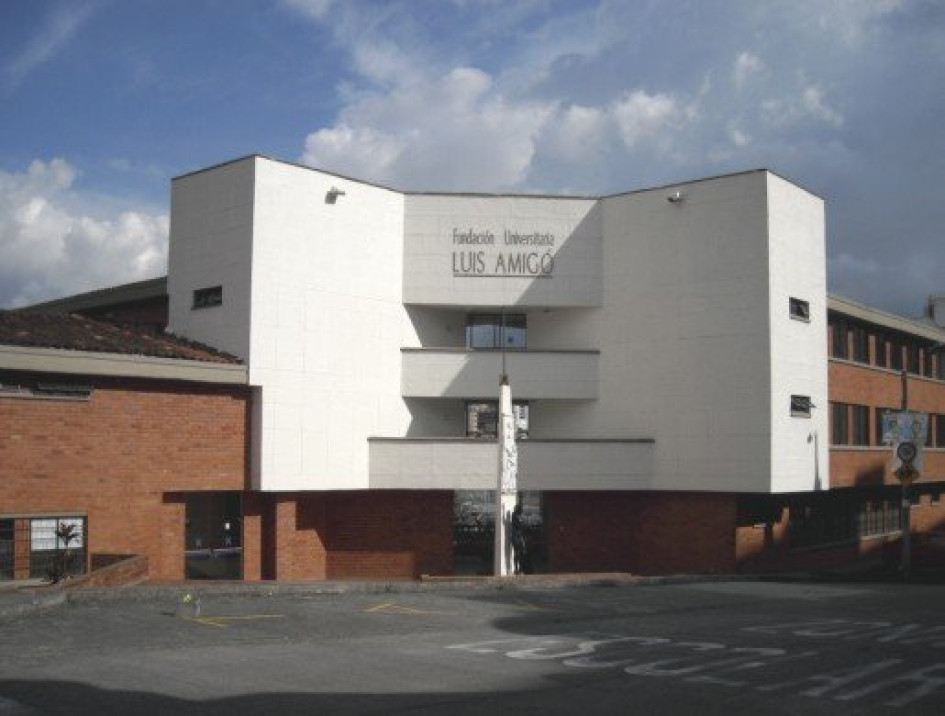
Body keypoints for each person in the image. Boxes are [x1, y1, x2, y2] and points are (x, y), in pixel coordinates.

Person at [510, 503, 527, 575]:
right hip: (517, 537)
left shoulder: (517, 516)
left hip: (519, 536)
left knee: (521, 553)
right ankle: (517, 568)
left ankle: (519, 568)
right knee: (518, 553)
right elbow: (519, 526)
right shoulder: (515, 516)